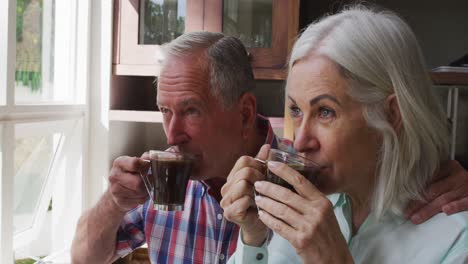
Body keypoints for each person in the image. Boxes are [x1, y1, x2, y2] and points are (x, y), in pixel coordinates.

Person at [70, 31, 468, 264]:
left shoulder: (311, 189)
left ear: (245, 114)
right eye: (295, 109)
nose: (172, 135)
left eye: (190, 111)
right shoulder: (163, 178)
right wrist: (114, 202)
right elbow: (84, 258)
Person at [222, 6, 468, 263]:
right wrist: (254, 238)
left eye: (325, 112)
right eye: (296, 110)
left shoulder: (456, 240)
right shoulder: (294, 207)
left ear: (392, 115)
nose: (300, 141)